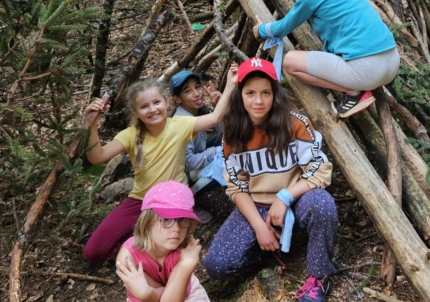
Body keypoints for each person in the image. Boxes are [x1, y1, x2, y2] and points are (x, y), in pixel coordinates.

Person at [204, 58, 338, 302]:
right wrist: (257, 226)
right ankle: (268, 247)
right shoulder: (233, 134)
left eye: (266, 92)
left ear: (275, 94)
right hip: (256, 206)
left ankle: (319, 276)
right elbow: (236, 187)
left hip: (296, 201)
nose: (258, 101)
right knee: (217, 265)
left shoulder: (295, 123)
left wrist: (285, 196)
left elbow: (320, 168)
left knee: (322, 204)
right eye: (251, 93)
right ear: (240, 95)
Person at [83, 64, 238, 264]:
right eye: (144, 106)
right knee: (93, 252)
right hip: (141, 199)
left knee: (164, 250)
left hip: (173, 199)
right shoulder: (131, 135)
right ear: (135, 111)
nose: (153, 109)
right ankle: (140, 244)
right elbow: (97, 156)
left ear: (166, 102)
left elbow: (216, 118)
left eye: (157, 102)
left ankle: (149, 245)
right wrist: (91, 124)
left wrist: (231, 85)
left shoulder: (180, 125)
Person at [251, 0, 399, 119]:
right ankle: (358, 84)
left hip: (366, 72)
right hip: (392, 62)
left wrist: (262, 29)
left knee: (290, 62)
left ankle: (355, 92)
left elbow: (284, 27)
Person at [115, 180, 210, 302]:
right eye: (166, 219)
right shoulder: (128, 258)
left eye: (182, 219)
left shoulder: (184, 251)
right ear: (147, 221)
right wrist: (146, 295)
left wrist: (186, 264)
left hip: (184, 296)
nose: (176, 228)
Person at [170, 70, 225, 224]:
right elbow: (186, 163)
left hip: (196, 156)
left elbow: (223, 132)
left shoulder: (199, 110)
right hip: (179, 176)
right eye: (188, 91)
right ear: (177, 99)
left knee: (224, 144)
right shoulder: (182, 122)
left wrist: (218, 108)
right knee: (223, 161)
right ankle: (187, 202)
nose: (196, 94)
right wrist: (214, 152)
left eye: (198, 87)